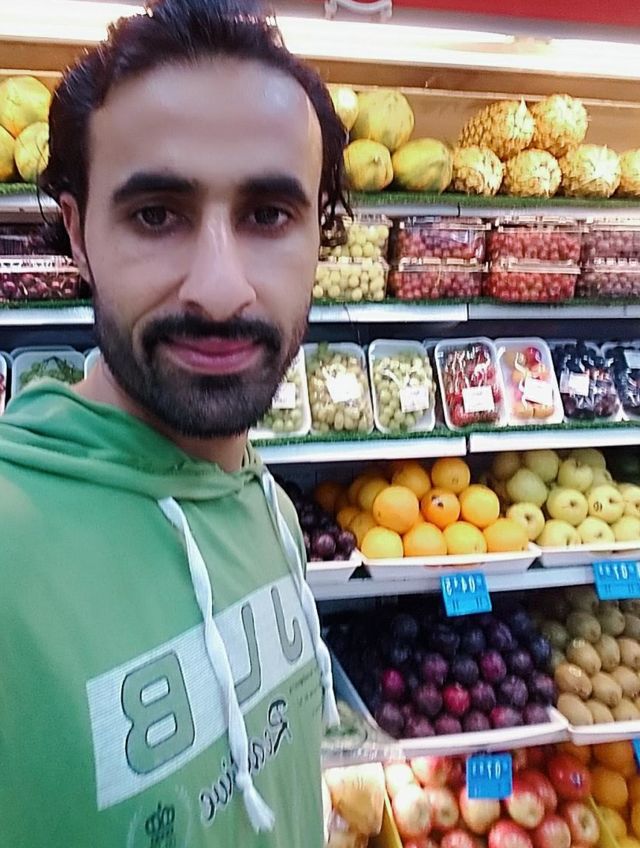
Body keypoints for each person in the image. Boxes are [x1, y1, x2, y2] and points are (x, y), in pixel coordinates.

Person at [0, 1, 348, 845]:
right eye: (156, 214)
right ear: (78, 235)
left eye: (268, 215)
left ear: (318, 235)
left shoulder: (263, 501)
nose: (220, 290)